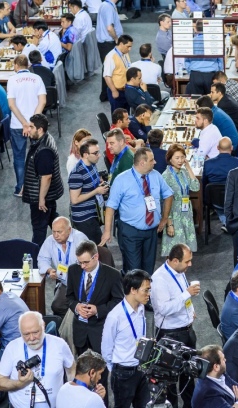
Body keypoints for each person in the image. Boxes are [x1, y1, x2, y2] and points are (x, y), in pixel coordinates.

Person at [102, 147, 173, 273]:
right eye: (151, 160)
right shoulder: (122, 180)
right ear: (142, 163)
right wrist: (107, 231)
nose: (155, 162)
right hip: (131, 231)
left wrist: (165, 218)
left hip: (151, 232)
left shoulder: (156, 175)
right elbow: (111, 207)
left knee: (148, 269)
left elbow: (169, 194)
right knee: (133, 270)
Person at [152, 244, 200, 408]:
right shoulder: (159, 279)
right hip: (170, 335)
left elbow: (180, 297)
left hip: (186, 330)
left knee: (189, 373)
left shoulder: (179, 271)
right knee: (170, 379)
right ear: (174, 261)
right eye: (187, 261)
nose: (190, 264)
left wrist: (190, 311)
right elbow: (164, 309)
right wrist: (187, 294)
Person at [0, 311, 75, 408]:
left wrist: (71, 395)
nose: (32, 338)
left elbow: (71, 370)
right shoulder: (12, 348)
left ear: (43, 326)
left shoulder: (60, 344)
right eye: (26, 334)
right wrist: (19, 383)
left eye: (35, 332)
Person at [101, 269, 152, 408]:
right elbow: (106, 349)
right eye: (146, 290)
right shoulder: (115, 316)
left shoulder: (141, 308)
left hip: (142, 368)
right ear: (133, 290)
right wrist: (115, 370)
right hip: (123, 372)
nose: (148, 294)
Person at [65, 239, 123, 356]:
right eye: (79, 262)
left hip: (101, 330)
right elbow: (69, 297)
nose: (82, 266)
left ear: (96, 257)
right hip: (80, 331)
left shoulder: (113, 275)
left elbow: (118, 301)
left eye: (85, 262)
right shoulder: (73, 270)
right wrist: (76, 306)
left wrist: (98, 310)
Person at [7, 55, 47, 197]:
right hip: (35, 126)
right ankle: (38, 186)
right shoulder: (37, 78)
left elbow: (12, 105)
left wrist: (24, 123)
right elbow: (42, 101)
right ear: (28, 65)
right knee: (38, 155)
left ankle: (21, 188)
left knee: (19, 157)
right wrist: (32, 123)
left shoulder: (12, 80)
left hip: (18, 125)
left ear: (16, 65)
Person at [22, 114, 63, 246]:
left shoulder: (44, 150)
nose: (28, 129)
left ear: (40, 130)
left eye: (31, 127)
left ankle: (36, 255)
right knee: (53, 219)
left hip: (41, 197)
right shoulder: (43, 139)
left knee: (39, 230)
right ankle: (70, 240)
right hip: (46, 194)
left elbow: (46, 177)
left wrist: (41, 199)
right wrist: (25, 185)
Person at [37, 216, 89, 317]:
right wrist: (49, 270)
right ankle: (67, 323)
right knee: (57, 306)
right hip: (65, 282)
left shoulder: (80, 239)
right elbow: (42, 258)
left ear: (69, 230)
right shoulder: (50, 240)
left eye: (59, 232)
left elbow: (88, 263)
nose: (56, 235)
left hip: (83, 282)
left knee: (85, 307)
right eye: (54, 232)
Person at [161, 144, 200, 254]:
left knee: (186, 251)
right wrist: (169, 224)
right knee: (175, 251)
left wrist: (188, 167)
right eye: (177, 158)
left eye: (182, 157)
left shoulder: (183, 172)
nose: (180, 160)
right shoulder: (166, 176)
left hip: (186, 213)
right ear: (170, 159)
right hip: (174, 214)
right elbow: (165, 202)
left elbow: (195, 187)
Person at [202, 137, 238, 227]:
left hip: (214, 200)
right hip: (235, 199)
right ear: (231, 148)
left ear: (217, 148)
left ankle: (227, 223)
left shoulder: (208, 164)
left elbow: (203, 183)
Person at [185, 21, 225, 95]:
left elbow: (186, 60)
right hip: (211, 75)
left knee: (196, 99)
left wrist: (190, 72)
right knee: (211, 99)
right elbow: (220, 59)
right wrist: (218, 72)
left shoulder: (190, 42)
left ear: (196, 29)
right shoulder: (215, 42)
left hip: (195, 74)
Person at [96, 0, 123, 102]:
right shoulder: (108, 7)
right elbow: (109, 28)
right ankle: (106, 94)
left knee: (109, 68)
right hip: (108, 43)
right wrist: (116, 39)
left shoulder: (107, 5)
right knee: (109, 69)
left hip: (106, 43)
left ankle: (106, 93)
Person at [104, 35, 133, 112]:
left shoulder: (125, 54)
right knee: (118, 115)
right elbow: (107, 76)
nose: (130, 49)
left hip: (126, 90)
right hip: (117, 91)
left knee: (126, 114)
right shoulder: (111, 56)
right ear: (121, 44)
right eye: (128, 46)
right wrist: (114, 91)